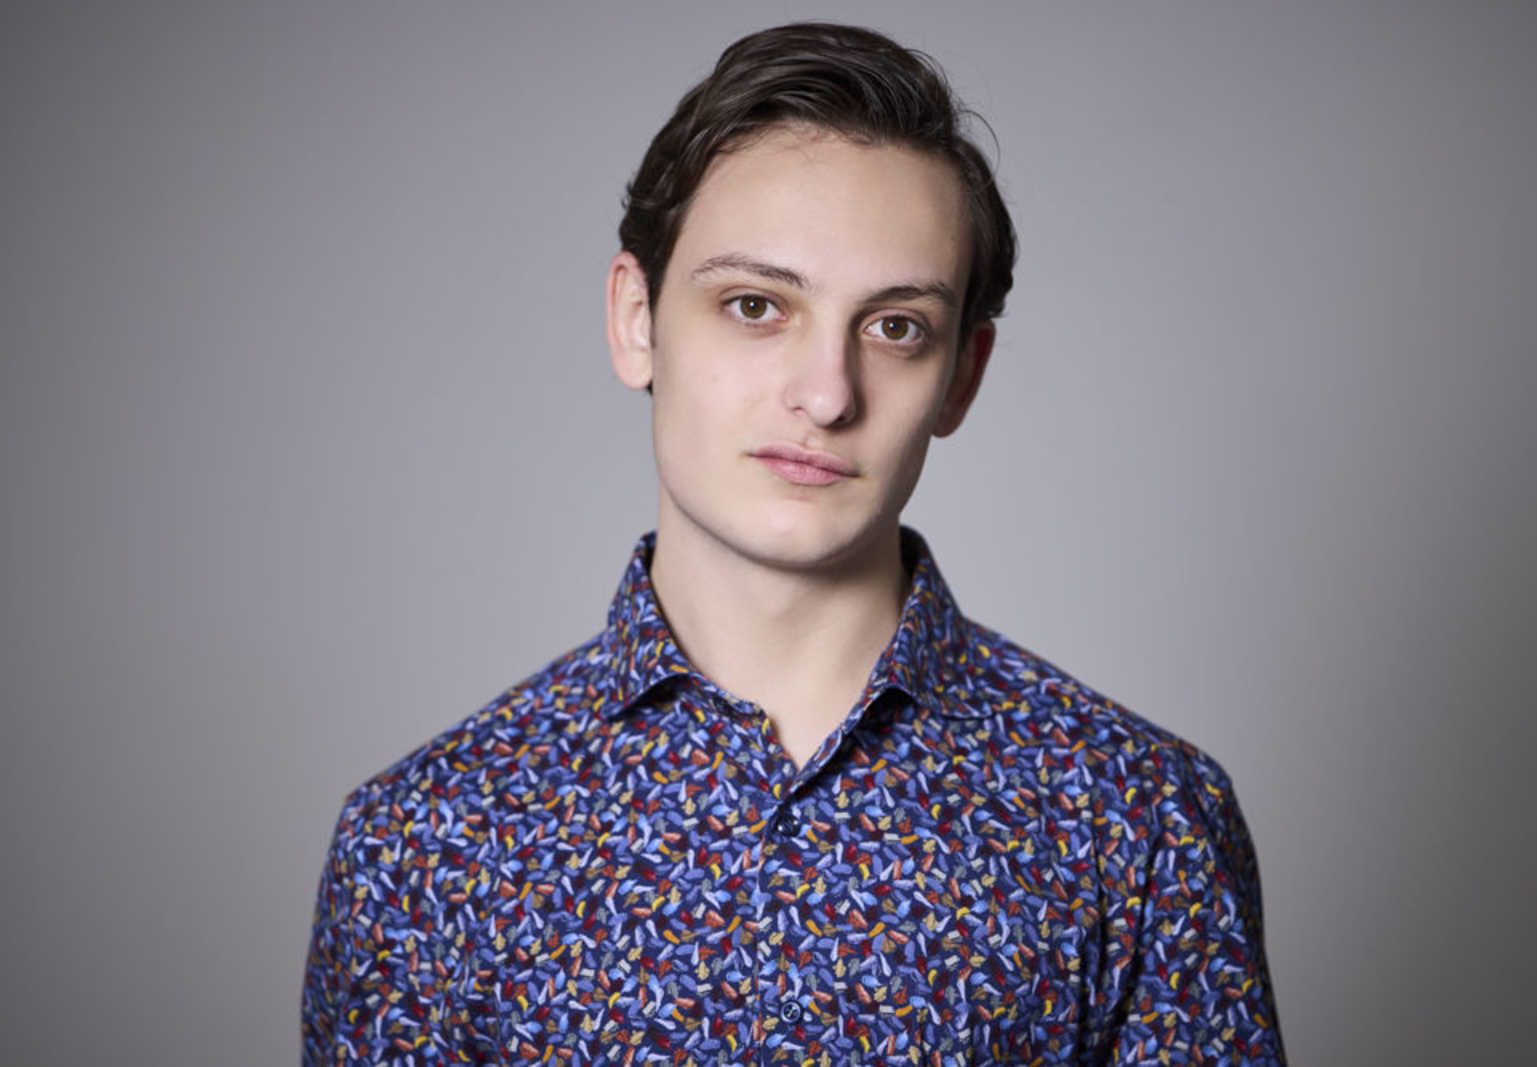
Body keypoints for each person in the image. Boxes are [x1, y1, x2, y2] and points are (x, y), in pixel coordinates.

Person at [302, 21, 1284, 1065]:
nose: (826, 393)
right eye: (755, 305)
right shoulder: (423, 844)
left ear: (961, 374)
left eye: (895, 326)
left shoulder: (1137, 817)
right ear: (636, 318)